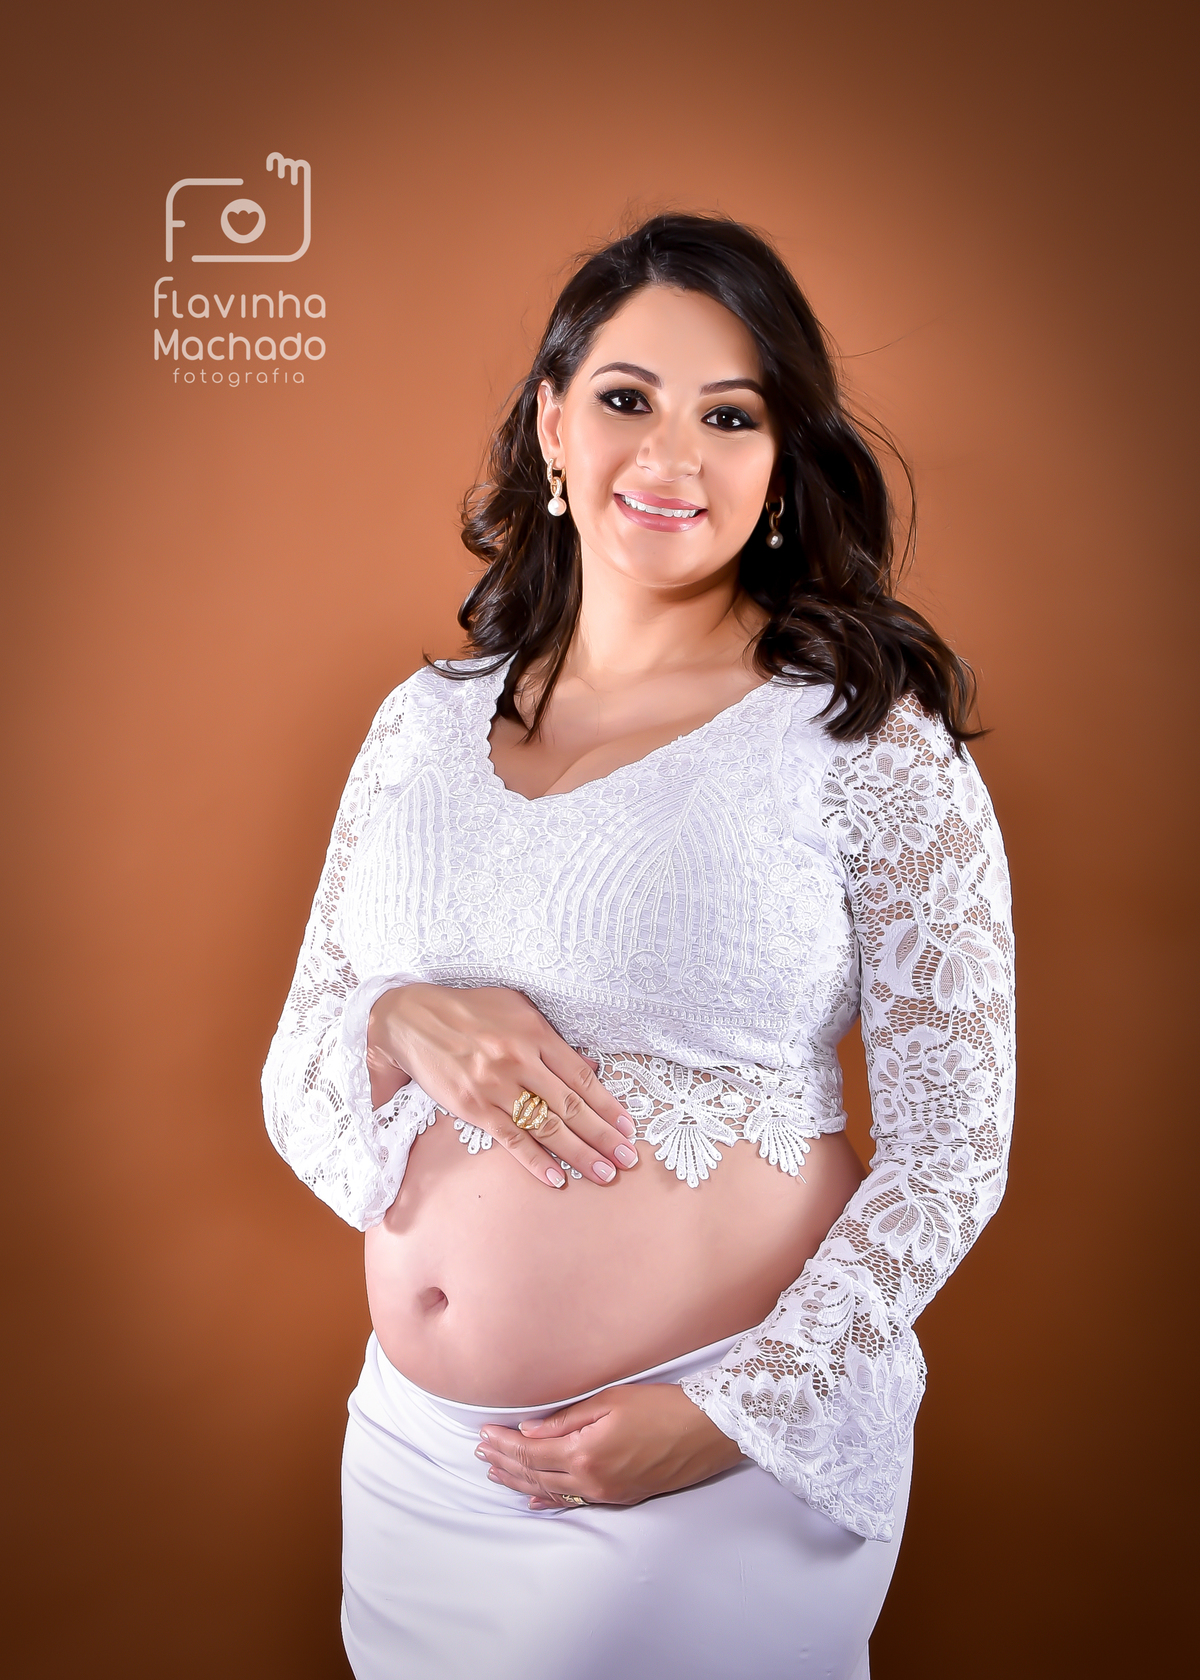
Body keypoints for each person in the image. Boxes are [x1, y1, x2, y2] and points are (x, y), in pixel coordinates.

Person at [261, 213, 1015, 1680]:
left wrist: (732, 1417)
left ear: (781, 465)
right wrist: (394, 1017)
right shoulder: (420, 726)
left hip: (704, 1458)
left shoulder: (862, 739)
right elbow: (302, 1059)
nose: (671, 457)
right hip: (415, 1461)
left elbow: (955, 1150)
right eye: (627, 398)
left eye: (729, 417)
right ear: (553, 425)